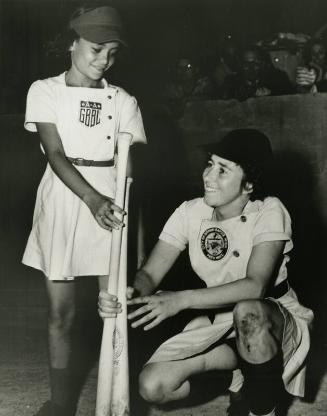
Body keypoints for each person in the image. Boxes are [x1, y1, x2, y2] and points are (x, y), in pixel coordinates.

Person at [99, 128, 313, 416]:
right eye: (210, 164)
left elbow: (255, 287)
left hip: (274, 317)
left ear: (249, 184)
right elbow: (148, 276)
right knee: (154, 385)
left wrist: (179, 300)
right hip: (220, 320)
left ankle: (262, 409)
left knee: (249, 312)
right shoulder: (190, 212)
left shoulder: (269, 209)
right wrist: (126, 295)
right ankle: (242, 381)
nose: (208, 176)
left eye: (223, 170)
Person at [23, 4, 146, 416]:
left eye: (111, 52)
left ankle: (114, 403)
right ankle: (59, 404)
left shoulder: (123, 100)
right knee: (62, 312)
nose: (103, 60)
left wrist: (122, 219)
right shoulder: (44, 90)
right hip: (64, 198)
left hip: (111, 204)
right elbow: (56, 156)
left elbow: (128, 175)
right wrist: (91, 200)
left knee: (112, 306)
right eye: (95, 49)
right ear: (72, 43)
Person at [223, 46, 293, 101]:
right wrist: (251, 94)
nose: (251, 68)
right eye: (246, 64)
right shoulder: (231, 81)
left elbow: (288, 96)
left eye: (255, 63)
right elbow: (227, 99)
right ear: (241, 65)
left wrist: (270, 97)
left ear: (262, 63)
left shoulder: (277, 78)